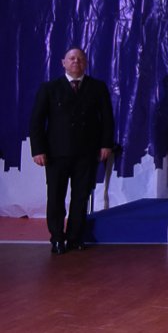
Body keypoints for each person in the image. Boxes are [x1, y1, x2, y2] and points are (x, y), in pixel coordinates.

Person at [29, 47, 115, 253]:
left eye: (80, 59)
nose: (76, 61)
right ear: (63, 62)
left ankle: (75, 237)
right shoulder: (49, 88)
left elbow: (107, 119)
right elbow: (37, 122)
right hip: (57, 153)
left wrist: (106, 144)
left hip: (87, 152)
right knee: (56, 197)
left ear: (86, 63)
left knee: (81, 196)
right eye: (72, 58)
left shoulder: (97, 87)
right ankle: (57, 238)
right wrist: (38, 150)